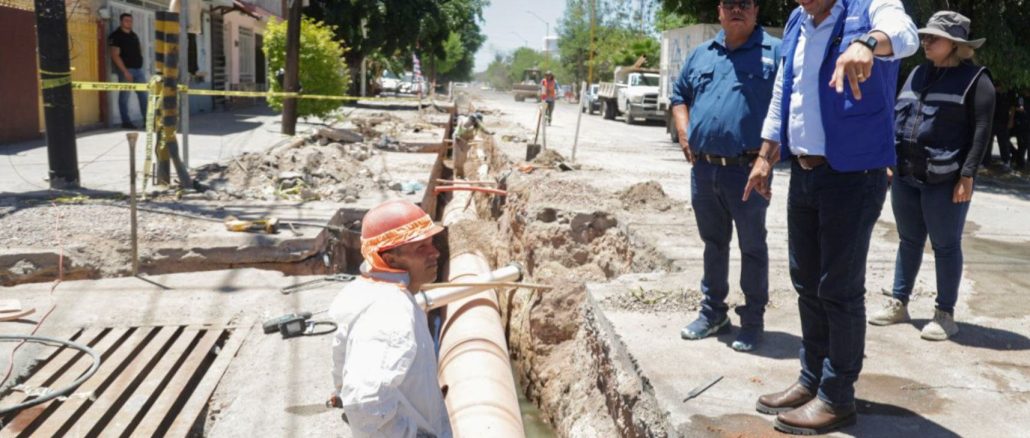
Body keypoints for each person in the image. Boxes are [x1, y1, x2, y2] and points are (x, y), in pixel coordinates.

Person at [743, 0, 917, 434]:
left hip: (854, 172)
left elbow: (906, 34)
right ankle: (812, 378)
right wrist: (766, 153)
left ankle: (838, 395)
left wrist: (867, 42)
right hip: (805, 172)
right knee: (806, 282)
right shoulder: (798, 20)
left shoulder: (869, 7)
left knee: (838, 288)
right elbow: (787, 88)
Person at [870, 11, 995, 341]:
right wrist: (888, 160)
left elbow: (982, 131)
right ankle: (899, 302)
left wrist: (967, 175)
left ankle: (945, 314)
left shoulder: (977, 79)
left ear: (954, 44)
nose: (925, 42)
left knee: (945, 245)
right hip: (906, 174)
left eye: (933, 38)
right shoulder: (917, 74)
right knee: (908, 240)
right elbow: (896, 116)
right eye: (924, 36)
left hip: (946, 180)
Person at [671, 0, 781, 352]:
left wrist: (767, 158)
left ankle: (752, 321)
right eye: (730, 4)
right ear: (719, 11)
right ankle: (713, 313)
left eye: (745, 4)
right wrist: (685, 133)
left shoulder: (775, 53)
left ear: (756, 10)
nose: (737, 10)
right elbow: (679, 96)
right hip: (704, 170)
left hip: (749, 170)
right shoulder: (702, 54)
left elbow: (792, 107)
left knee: (752, 246)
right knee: (713, 243)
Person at [328, 199, 452, 437]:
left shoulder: (366, 290)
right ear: (389, 258)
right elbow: (365, 403)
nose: (435, 252)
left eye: (431, 243)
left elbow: (341, 371)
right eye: (420, 247)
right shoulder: (391, 312)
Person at [108, 13, 148, 130]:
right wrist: (125, 71)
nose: (129, 23)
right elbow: (114, 55)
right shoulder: (115, 36)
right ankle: (126, 122)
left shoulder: (134, 35)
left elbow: (139, 50)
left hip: (138, 70)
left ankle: (148, 121)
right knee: (124, 97)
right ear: (121, 22)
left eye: (130, 21)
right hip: (126, 70)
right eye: (126, 21)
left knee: (144, 96)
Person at [983, 82, 1014, 169]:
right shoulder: (992, 92)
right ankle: (985, 162)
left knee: (1004, 142)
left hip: (1003, 122)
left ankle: (1006, 161)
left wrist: (1011, 120)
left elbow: (1012, 107)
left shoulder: (1009, 93)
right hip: (991, 121)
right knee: (988, 143)